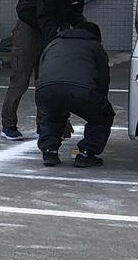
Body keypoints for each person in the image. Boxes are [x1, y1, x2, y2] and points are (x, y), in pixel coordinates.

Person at [0, 0, 102, 140]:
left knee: (47, 80)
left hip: (52, 27)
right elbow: (44, 15)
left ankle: (45, 124)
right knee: (20, 79)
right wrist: (55, 43)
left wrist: (84, 31)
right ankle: (8, 124)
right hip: (29, 27)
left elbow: (75, 14)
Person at [34, 18, 113, 168]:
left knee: (52, 116)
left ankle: (49, 151)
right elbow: (103, 79)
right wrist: (101, 103)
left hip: (46, 90)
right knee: (103, 116)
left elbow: (41, 71)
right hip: (81, 90)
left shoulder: (54, 43)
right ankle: (86, 152)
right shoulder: (95, 46)